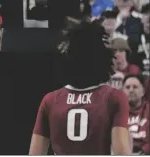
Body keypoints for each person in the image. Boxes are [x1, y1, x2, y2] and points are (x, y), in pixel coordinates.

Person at [29, 18, 131, 155]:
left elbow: (35, 154)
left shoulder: (50, 100)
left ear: (67, 60)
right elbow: (122, 153)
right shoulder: (114, 97)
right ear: (101, 58)